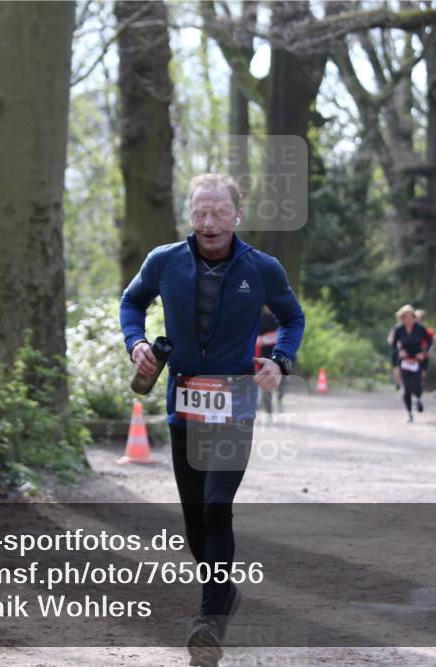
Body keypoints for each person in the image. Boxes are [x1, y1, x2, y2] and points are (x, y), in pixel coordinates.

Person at [120, 173, 305, 666]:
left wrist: (279, 361)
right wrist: (136, 343)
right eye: (201, 212)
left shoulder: (261, 268)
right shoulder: (165, 262)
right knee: (195, 529)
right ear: (190, 216)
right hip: (183, 405)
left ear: (237, 216)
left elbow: (293, 318)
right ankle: (224, 591)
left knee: (217, 507)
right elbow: (131, 302)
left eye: (220, 212)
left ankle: (208, 623)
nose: (210, 222)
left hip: (235, 406)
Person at [391, 304, 433, 422]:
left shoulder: (420, 328)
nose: (409, 320)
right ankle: (409, 413)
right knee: (406, 388)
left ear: (414, 317)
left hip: (417, 359)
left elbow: (430, 342)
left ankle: (418, 398)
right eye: (406, 317)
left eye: (411, 317)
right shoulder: (398, 329)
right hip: (404, 360)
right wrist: (399, 351)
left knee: (417, 384)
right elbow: (393, 344)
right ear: (402, 318)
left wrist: (423, 353)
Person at [415, 309, 436, 387]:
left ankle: (420, 384)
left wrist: (430, 352)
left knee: (423, 369)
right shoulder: (411, 330)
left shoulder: (429, 331)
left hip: (425, 351)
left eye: (420, 319)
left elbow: (433, 342)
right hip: (415, 351)